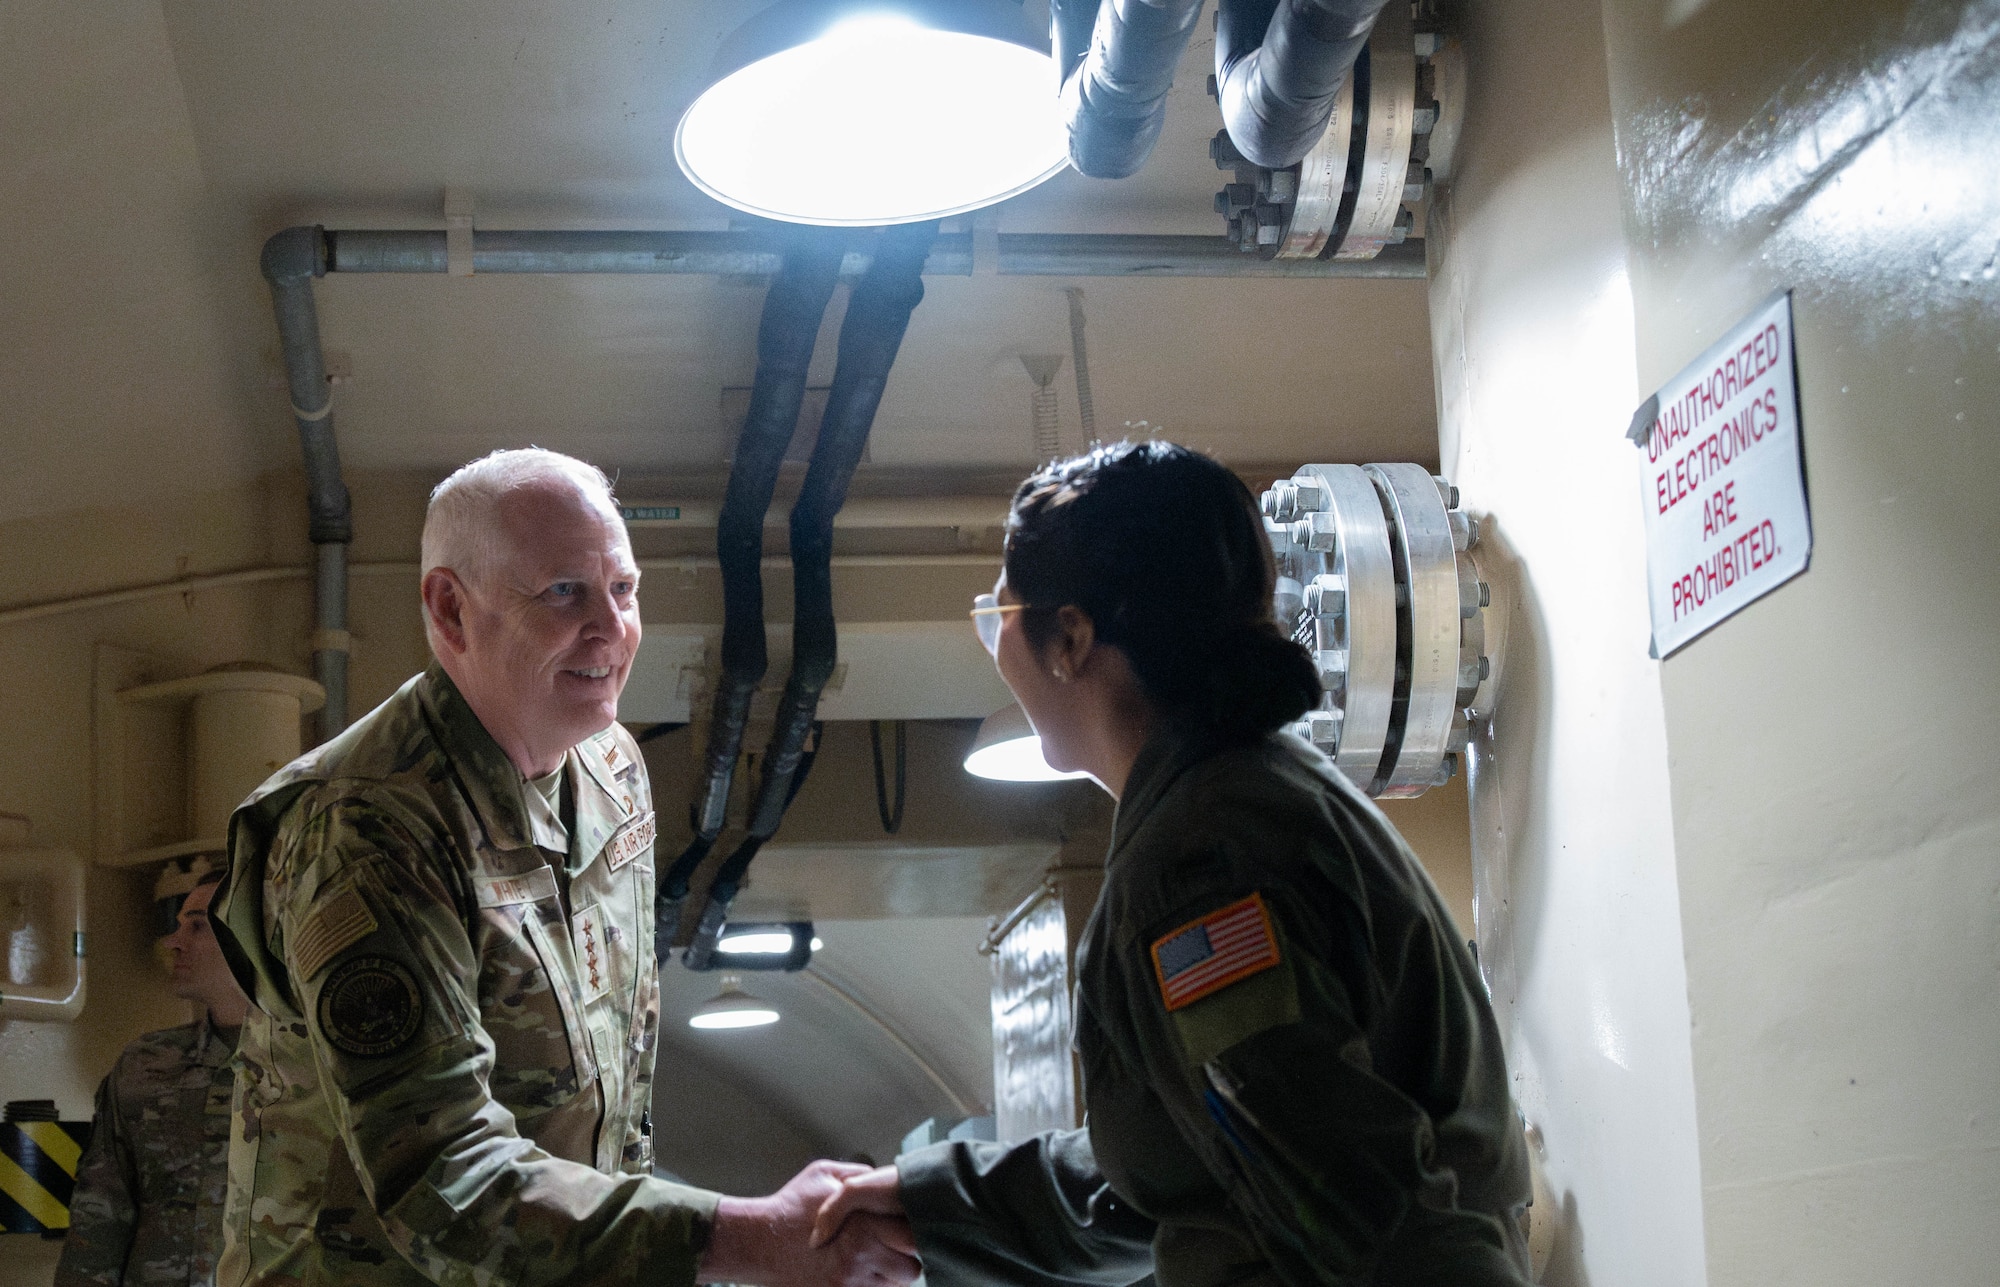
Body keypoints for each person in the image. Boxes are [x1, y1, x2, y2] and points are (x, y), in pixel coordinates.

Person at [814, 442, 1534, 1287]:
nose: (995, 645)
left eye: (998, 617)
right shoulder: (1250, 796)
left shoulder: (1201, 864)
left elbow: (1364, 1213)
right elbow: (1217, 1158)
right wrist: (935, 1202)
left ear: (1071, 638)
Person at [211, 448, 918, 1287]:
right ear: (451, 609)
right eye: (564, 593)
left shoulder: (612, 769)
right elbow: (441, 1173)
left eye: (623, 590)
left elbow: (615, 1101)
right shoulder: (365, 826)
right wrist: (747, 1234)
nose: (612, 630)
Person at [56, 870, 249, 1287]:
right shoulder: (146, 1064)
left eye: (196, 925)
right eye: (179, 925)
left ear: (250, 933)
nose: (174, 941)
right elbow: (100, 1214)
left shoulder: (314, 1069)